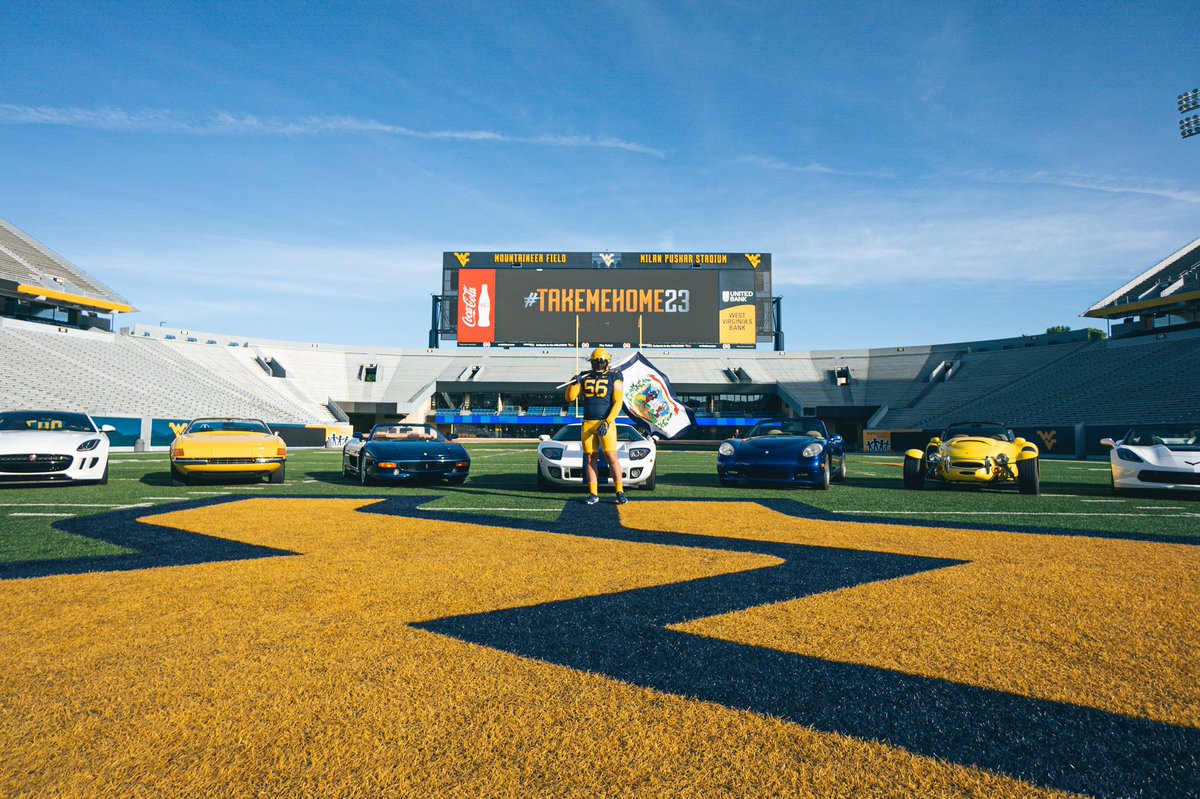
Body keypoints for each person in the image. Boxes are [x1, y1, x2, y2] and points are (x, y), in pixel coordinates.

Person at [564, 347, 627, 505]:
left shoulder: (615, 376)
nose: (598, 365)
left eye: (600, 361)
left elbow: (618, 401)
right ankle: (593, 493)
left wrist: (608, 421)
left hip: (605, 422)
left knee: (611, 457)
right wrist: (574, 382)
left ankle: (619, 491)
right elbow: (570, 397)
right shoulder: (585, 377)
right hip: (588, 422)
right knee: (590, 458)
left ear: (606, 362)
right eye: (595, 361)